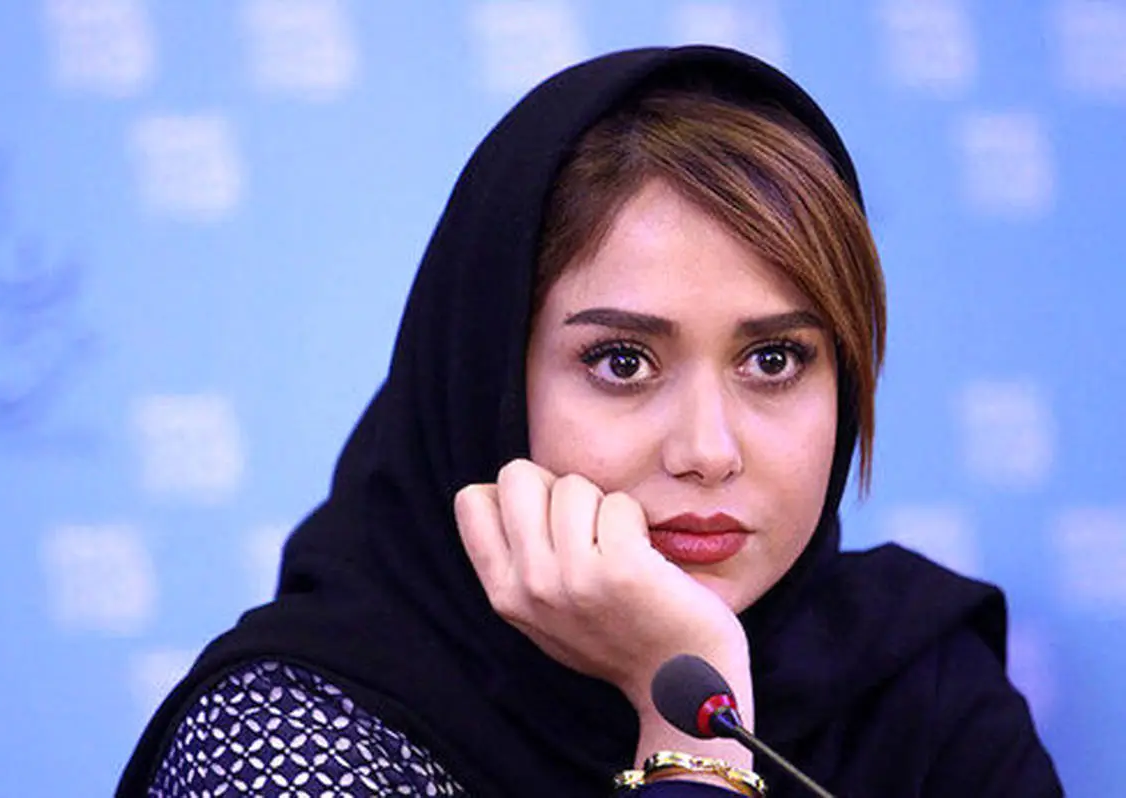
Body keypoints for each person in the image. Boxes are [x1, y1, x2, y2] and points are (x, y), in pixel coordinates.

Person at [117, 45, 1062, 797]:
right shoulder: (291, 741)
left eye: (774, 360)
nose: (707, 452)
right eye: (622, 362)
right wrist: (690, 717)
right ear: (489, 379)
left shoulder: (918, 695)